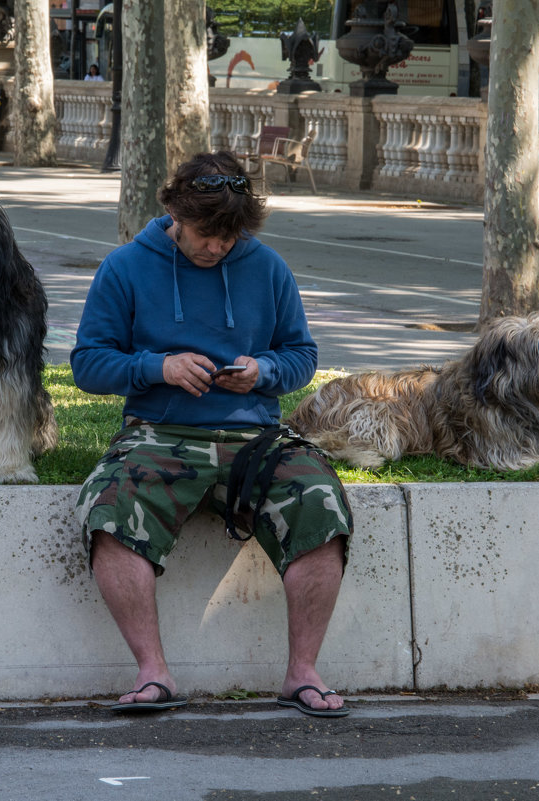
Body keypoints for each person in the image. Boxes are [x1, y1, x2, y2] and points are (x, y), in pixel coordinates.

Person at [71, 151, 353, 717]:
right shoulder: (126, 267)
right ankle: (154, 673)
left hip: (254, 435)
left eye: (230, 237)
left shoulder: (267, 267)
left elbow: (301, 356)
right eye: (205, 234)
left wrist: (264, 372)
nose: (217, 247)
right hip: (158, 431)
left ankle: (302, 674)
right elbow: (88, 364)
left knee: (321, 502)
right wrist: (158, 367)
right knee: (110, 507)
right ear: (175, 210)